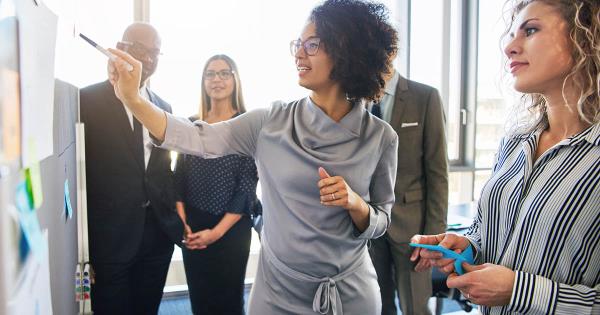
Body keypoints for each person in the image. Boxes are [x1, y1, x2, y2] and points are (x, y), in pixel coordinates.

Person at [107, 0, 399, 313]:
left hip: (349, 294)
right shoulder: (269, 122)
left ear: (347, 51)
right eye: (297, 45)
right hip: (277, 293)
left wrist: (355, 203)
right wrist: (134, 100)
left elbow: (381, 220)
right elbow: (194, 136)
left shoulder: (380, 138)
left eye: (312, 44)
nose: (299, 53)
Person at [411, 1, 600, 314]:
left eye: (530, 30)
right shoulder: (514, 144)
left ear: (585, 38)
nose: (510, 47)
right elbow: (487, 232)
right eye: (512, 35)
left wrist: (519, 290)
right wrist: (468, 247)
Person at [80, 22, 183, 315]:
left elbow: (163, 170)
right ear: (120, 48)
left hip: (157, 236)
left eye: (155, 53)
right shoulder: (87, 100)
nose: (148, 59)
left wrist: (175, 216)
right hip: (111, 238)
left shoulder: (164, 108)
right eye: (140, 49)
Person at [174, 54, 261, 315]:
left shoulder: (248, 125)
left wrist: (216, 233)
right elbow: (179, 176)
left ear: (235, 80)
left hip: (231, 229)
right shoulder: (191, 124)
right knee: (200, 300)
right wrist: (183, 224)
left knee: (229, 302)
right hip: (193, 225)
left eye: (224, 73)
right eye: (210, 74)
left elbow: (247, 186)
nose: (217, 79)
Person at [368, 64, 448, 315]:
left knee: (416, 307)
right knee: (377, 306)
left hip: (412, 228)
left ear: (390, 51)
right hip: (368, 225)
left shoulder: (425, 97)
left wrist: (433, 240)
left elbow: (438, 174)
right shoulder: (356, 98)